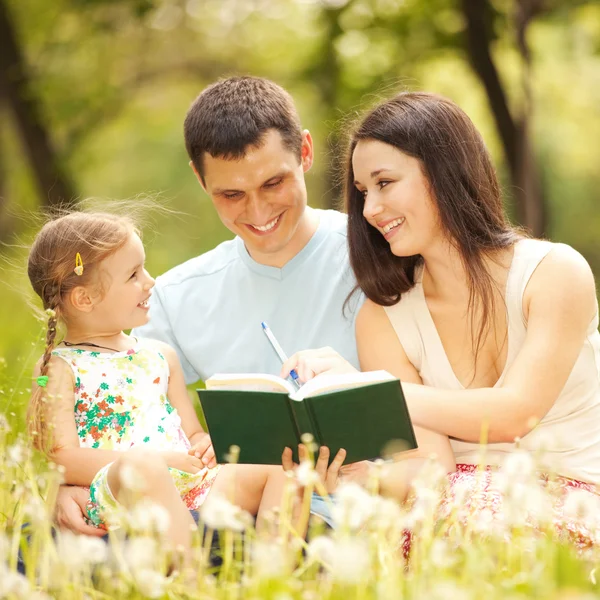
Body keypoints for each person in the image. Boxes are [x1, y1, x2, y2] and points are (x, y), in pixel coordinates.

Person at [282, 91, 600, 547]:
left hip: (571, 505)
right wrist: (350, 477)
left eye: (385, 183)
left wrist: (371, 392)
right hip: (456, 517)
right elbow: (429, 470)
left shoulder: (555, 273)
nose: (369, 209)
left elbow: (515, 413)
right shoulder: (383, 318)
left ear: (444, 170)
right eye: (363, 192)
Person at [52, 76, 362, 534]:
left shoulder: (376, 255)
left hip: (365, 503)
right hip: (230, 518)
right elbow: (119, 420)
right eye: (231, 194)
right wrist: (74, 483)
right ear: (200, 179)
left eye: (273, 182)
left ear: (305, 152)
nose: (257, 212)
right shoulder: (174, 296)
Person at [27, 210, 298, 560]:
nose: (150, 281)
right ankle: (191, 583)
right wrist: (157, 461)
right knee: (143, 464)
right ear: (85, 299)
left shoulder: (160, 355)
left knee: (280, 463)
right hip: (124, 492)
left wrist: (208, 446)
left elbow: (192, 433)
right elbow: (61, 458)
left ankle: (273, 576)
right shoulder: (62, 367)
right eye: (133, 275)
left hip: (191, 485)